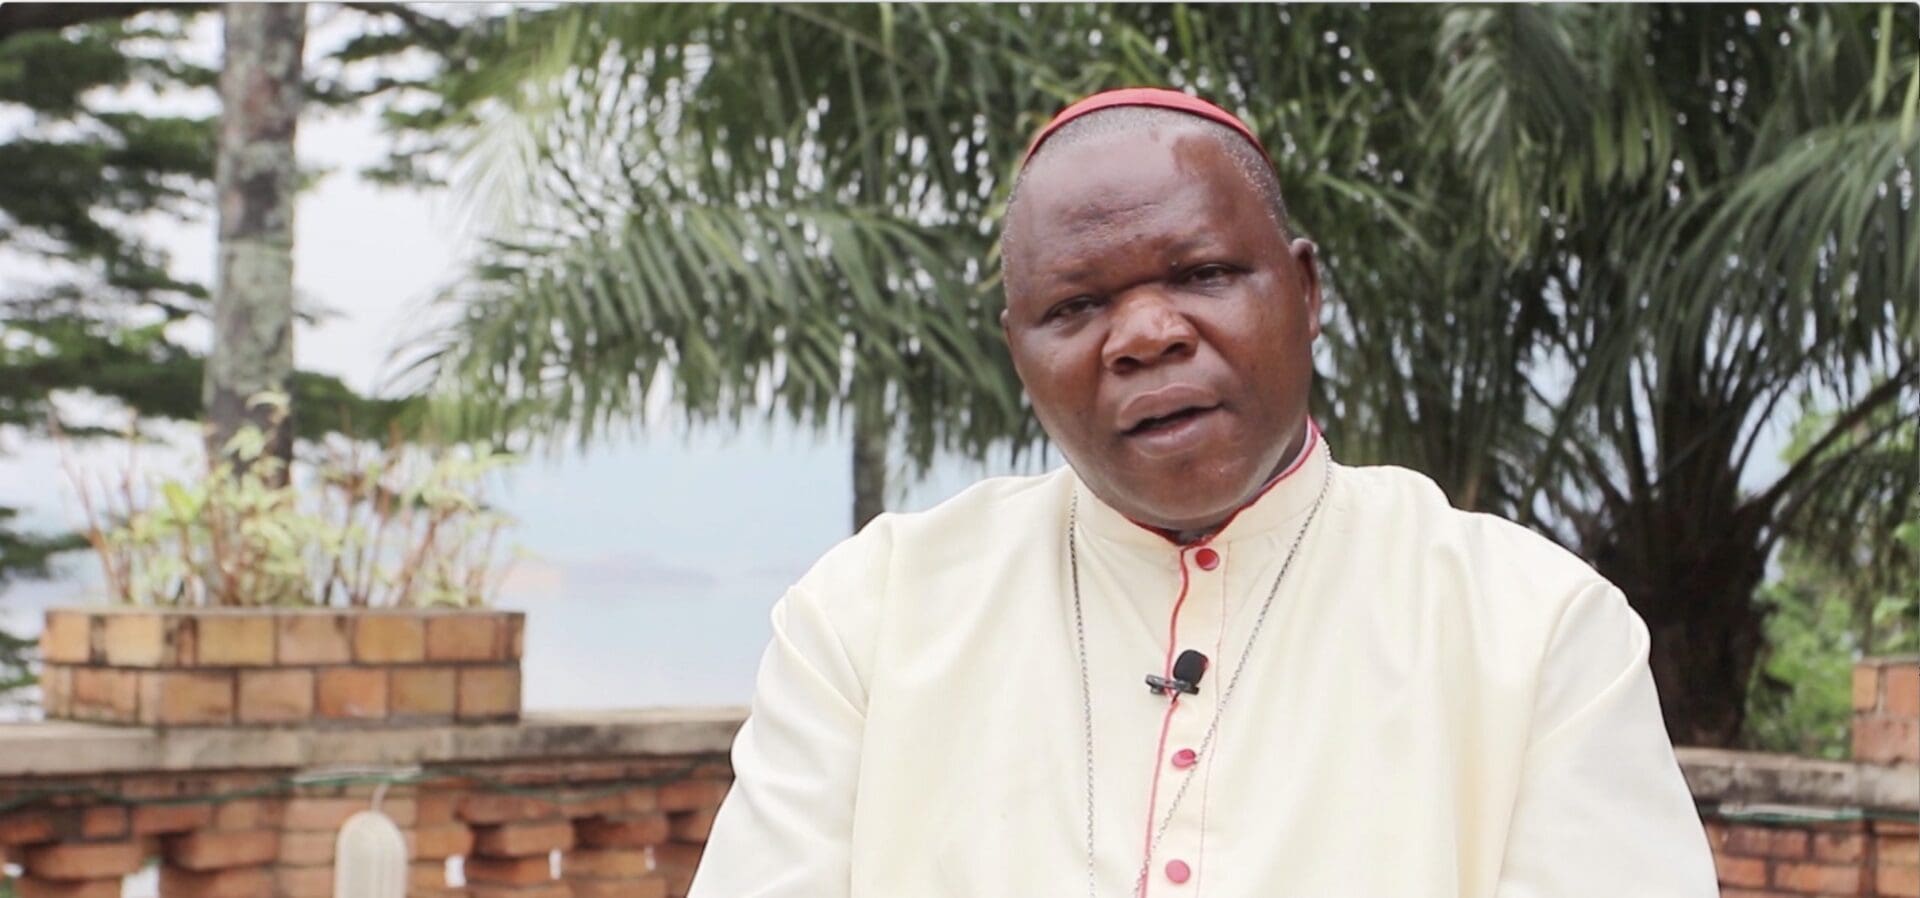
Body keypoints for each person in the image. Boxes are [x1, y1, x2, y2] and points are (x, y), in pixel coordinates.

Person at [686, 88, 1718, 898]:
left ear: (1304, 292)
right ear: (1019, 352)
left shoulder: (1535, 629)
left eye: (1203, 274)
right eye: (1076, 306)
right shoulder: (870, 616)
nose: (1145, 334)